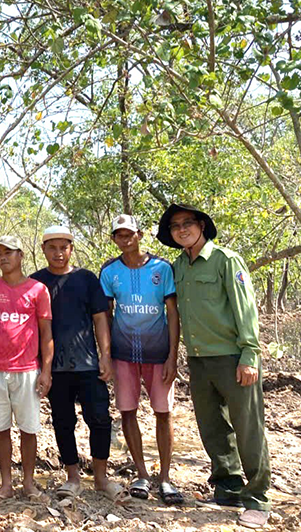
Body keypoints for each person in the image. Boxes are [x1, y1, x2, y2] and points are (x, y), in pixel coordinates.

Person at [157, 203, 271, 529]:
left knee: (248, 429)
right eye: (175, 226)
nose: (182, 229)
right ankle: (228, 488)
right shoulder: (178, 267)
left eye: (188, 223)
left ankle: (258, 500)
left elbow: (245, 310)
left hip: (232, 357)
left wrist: (250, 354)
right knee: (212, 428)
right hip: (198, 360)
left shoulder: (226, 260)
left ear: (202, 225)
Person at [32, 225, 124, 502]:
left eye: (64, 247)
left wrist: (105, 356)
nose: (58, 253)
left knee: (99, 419)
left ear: (71, 249)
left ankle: (101, 478)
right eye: (52, 247)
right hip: (54, 368)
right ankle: (72, 478)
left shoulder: (86, 279)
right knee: (62, 421)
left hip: (87, 364)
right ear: (44, 250)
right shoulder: (36, 283)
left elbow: (100, 319)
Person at [99, 215, 182, 504]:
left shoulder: (162, 268)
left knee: (163, 413)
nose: (125, 239)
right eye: (119, 235)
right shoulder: (109, 272)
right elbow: (105, 316)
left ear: (140, 234)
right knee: (127, 411)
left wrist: (173, 355)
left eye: (130, 234)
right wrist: (106, 355)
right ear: (114, 239)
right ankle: (142, 474)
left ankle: (166, 478)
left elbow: (172, 312)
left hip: (158, 354)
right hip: (123, 355)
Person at [0, 235, 53, 503]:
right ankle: (6, 483)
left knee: (29, 428)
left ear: (21, 255)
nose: (3, 258)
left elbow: (45, 333)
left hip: (28, 369)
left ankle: (29, 483)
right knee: (0, 427)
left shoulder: (38, 290)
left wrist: (46, 370)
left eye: (8, 252)